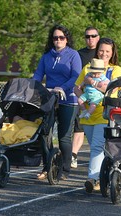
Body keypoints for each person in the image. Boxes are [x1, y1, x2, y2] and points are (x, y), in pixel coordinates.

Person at [33, 24, 81, 180]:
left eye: (62, 37)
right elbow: (38, 76)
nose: (58, 40)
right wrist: (32, 87)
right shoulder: (46, 57)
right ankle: (47, 167)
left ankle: (64, 170)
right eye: (55, 37)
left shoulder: (73, 55)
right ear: (52, 40)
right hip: (50, 98)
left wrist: (62, 87)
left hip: (68, 99)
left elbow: (76, 77)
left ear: (67, 39)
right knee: (44, 134)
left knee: (63, 137)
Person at [74, 37, 121, 193]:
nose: (104, 54)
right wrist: (83, 97)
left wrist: (92, 83)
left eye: (107, 51)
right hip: (89, 114)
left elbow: (111, 90)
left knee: (96, 147)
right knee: (98, 148)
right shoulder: (88, 67)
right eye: (101, 50)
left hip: (106, 113)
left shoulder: (116, 69)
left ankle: (92, 178)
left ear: (112, 52)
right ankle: (104, 175)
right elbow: (76, 87)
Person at [71, 27, 100, 169]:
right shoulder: (79, 54)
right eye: (87, 36)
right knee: (79, 126)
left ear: (98, 37)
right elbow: (77, 75)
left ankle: (100, 160)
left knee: (98, 133)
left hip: (99, 97)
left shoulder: (102, 54)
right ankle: (73, 155)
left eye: (93, 36)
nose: (90, 39)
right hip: (84, 93)